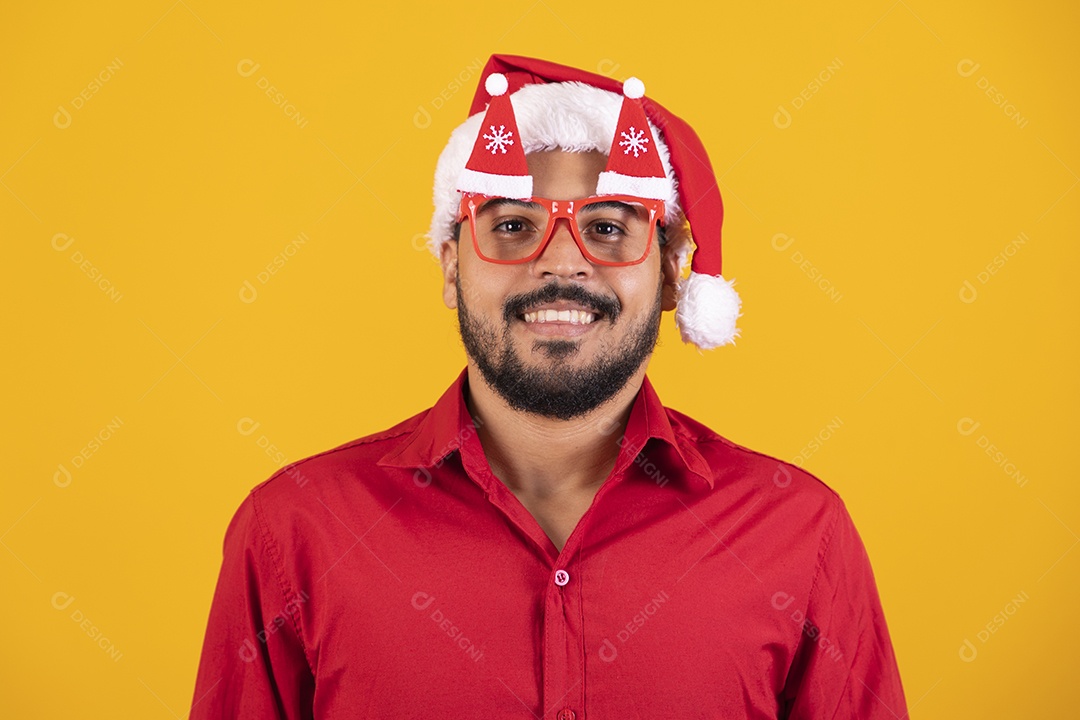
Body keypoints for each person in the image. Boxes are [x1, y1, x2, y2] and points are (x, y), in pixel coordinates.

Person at [189, 54, 907, 719]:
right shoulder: (295, 532)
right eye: (511, 224)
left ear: (669, 274)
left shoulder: (800, 534)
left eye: (608, 227)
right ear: (450, 267)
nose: (561, 262)